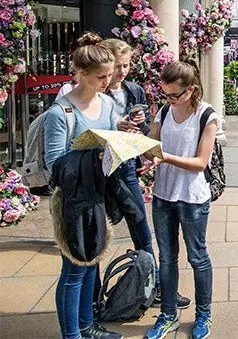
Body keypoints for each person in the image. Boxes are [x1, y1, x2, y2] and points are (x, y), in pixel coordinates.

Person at [100, 39, 191, 309]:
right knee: (94, 234)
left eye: (127, 65)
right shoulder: (95, 92)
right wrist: (116, 125)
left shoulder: (134, 90)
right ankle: (92, 298)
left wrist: (138, 129)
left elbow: (143, 132)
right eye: (117, 66)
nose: (122, 71)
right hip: (97, 168)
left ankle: (156, 285)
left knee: (140, 224)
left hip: (125, 165)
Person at [44, 33, 122, 339]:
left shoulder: (107, 104)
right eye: (100, 77)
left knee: (92, 263)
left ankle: (87, 326)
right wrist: (91, 155)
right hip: (73, 199)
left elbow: (113, 145)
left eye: (109, 75)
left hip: (98, 194)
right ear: (81, 75)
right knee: (74, 268)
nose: (106, 81)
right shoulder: (60, 112)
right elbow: (55, 165)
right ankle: (72, 334)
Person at [142, 59, 218, 339]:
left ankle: (203, 315)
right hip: (163, 195)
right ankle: (168, 314)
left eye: (175, 94)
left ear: (191, 90)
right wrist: (144, 152)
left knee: (198, 257)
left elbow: (200, 162)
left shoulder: (206, 115)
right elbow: (152, 146)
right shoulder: (163, 112)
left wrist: (164, 157)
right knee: (167, 258)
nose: (170, 99)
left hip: (192, 198)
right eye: (166, 94)